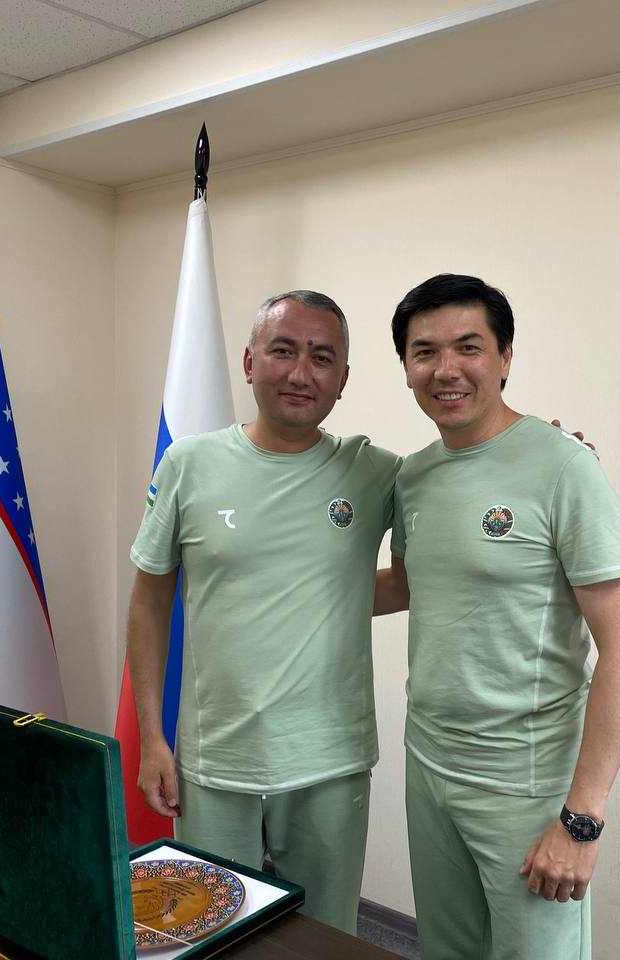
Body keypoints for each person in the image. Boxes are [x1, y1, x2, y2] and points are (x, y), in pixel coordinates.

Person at [380, 274, 620, 960]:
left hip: (525, 781)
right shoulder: (413, 476)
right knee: (447, 949)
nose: (446, 369)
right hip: (429, 762)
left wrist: (581, 821)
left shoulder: (564, 468)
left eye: (468, 347)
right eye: (424, 352)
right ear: (406, 367)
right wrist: (267, 582)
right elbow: (411, 584)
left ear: (504, 357)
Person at [126, 290, 400, 933]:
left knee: (326, 936)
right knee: (209, 931)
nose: (301, 373)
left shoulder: (376, 472)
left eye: (321, 358)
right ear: (250, 363)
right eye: (283, 350)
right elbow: (150, 599)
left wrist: (543, 459)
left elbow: (428, 566)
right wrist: (152, 737)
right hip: (217, 757)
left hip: (330, 759)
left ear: (343, 379)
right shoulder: (189, 463)